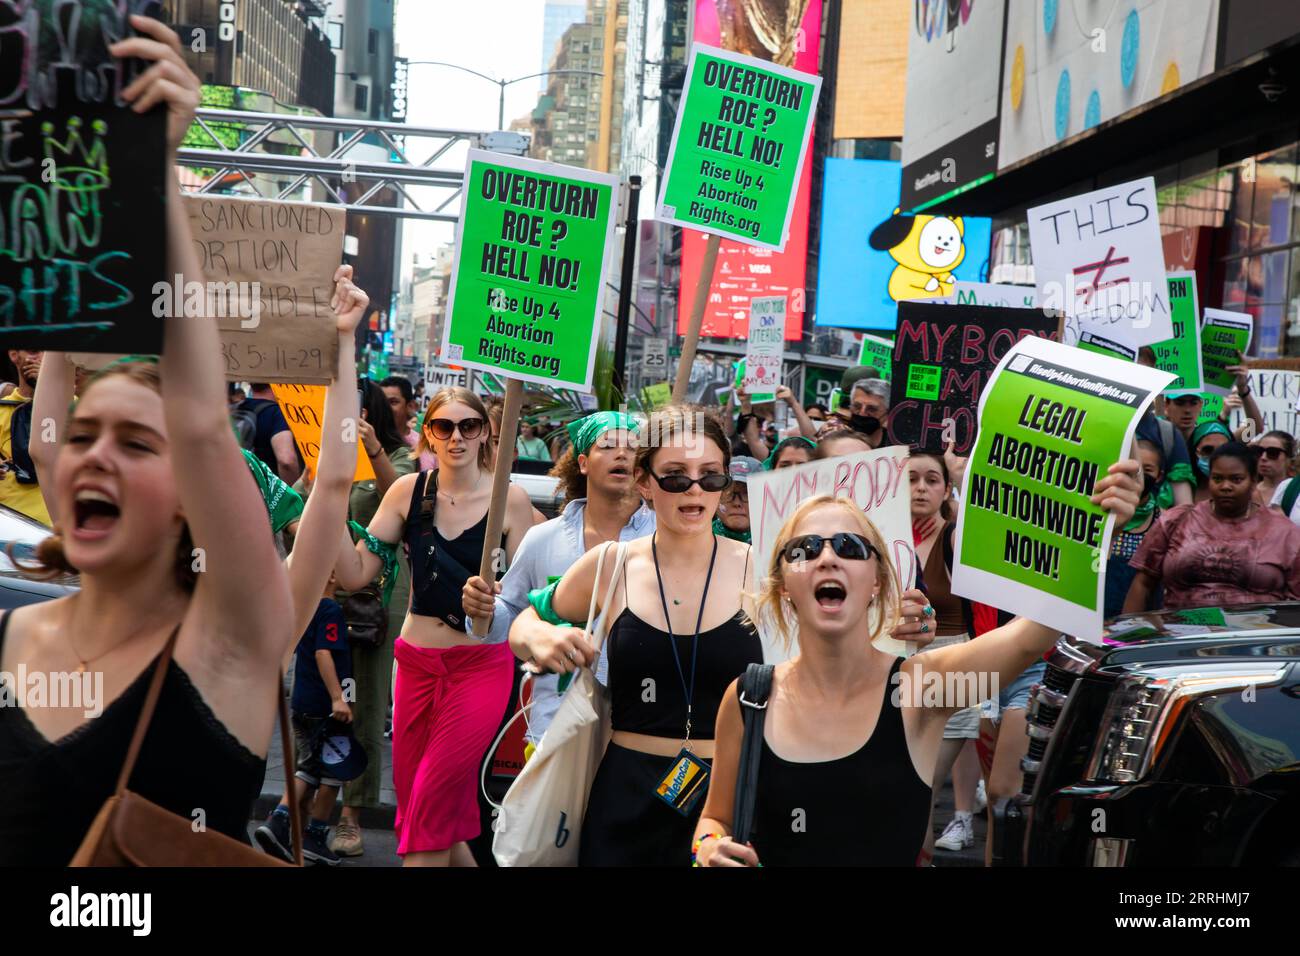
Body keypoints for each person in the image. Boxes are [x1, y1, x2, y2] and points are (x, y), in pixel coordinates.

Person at [0, 22, 297, 865]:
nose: (94, 454)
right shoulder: (9, 642)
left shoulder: (229, 641)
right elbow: (51, 416)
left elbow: (203, 423)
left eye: (137, 443)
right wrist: (72, 264)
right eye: (85, 436)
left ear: (190, 501)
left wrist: (151, 169)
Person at [691, 461, 1141, 867]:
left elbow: (1029, 637)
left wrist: (1097, 534)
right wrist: (708, 846)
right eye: (804, 549)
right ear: (784, 584)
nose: (827, 557)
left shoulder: (921, 689)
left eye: (849, 546)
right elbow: (714, 818)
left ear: (877, 580)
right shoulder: (750, 696)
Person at [508, 407, 763, 866]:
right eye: (675, 477)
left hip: (729, 804)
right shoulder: (612, 563)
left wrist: (906, 621)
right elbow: (526, 619)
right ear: (645, 483)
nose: (695, 489)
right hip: (623, 798)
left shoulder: (762, 570)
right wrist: (541, 639)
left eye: (710, 476)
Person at [335, 386, 534, 867]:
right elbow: (356, 573)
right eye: (444, 427)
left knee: (428, 801)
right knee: (421, 804)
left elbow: (525, 598)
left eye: (469, 426)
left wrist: (496, 600)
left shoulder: (511, 499)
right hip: (415, 665)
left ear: (486, 432)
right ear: (428, 433)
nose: (457, 437)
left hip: (480, 669)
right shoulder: (408, 491)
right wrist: (326, 504)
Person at [462, 412, 653, 753]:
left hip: (638, 732)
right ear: (583, 463)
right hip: (553, 728)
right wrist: (484, 610)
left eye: (633, 448)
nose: (623, 454)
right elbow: (509, 615)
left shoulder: (663, 540)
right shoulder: (543, 539)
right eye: (608, 446)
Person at [326, 379, 417, 858]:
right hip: (324, 592)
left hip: (374, 598)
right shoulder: (326, 449)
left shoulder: (398, 459)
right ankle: (307, 808)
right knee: (318, 700)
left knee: (364, 706)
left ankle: (351, 815)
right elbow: (300, 500)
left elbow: (397, 496)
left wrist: (371, 446)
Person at [907, 452, 981, 858]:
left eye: (931, 479)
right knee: (907, 786)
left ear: (945, 490)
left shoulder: (956, 537)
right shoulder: (882, 541)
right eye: (911, 478)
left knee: (926, 784)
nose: (920, 487)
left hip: (958, 663)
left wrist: (961, 475)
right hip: (902, 669)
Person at [1124, 442, 1300, 612]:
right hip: (1180, 635)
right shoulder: (1176, 520)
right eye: (1217, 478)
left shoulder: (1284, 533)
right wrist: (1127, 636)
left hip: (1255, 639)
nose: (1225, 486)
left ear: (1253, 481)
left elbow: (1296, 602)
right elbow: (1143, 582)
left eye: (1236, 479)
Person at [255, 575, 353, 866]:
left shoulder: (304, 608)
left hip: (301, 702)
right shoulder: (331, 611)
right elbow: (324, 653)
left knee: (308, 766)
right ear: (333, 575)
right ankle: (309, 834)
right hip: (324, 704)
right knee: (334, 770)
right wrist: (338, 697)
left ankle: (282, 821)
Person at [1104, 439, 1164, 620]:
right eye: (1131, 471)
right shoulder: (1102, 518)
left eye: (1146, 471)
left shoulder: (1165, 521)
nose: (1138, 477)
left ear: (1159, 476)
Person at [0, 349, 49, 525]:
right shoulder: (1, 411)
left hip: (57, 527)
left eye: (47, 352)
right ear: (14, 355)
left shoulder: (75, 406)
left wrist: (47, 385)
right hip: (11, 527)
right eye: (34, 351)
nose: (41, 358)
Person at [237, 382, 302, 485]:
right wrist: (293, 495)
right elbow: (286, 461)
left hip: (242, 487)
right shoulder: (276, 413)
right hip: (270, 495)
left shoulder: (239, 407)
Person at [714, 456, 762, 543]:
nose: (736, 503)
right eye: (729, 493)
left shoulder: (779, 543)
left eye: (747, 494)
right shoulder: (697, 539)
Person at [1188, 420, 1233, 501]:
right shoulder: (1181, 490)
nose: (1215, 456)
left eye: (1223, 449)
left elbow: (1253, 428)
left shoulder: (1243, 491)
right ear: (1195, 452)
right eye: (1208, 450)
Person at [847, 377, 890, 448]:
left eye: (872, 409)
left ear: (887, 413)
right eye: (857, 406)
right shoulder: (834, 439)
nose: (862, 413)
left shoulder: (895, 445)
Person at [1254, 430, 1293, 507]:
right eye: (1259, 451)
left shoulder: (1295, 492)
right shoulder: (1247, 491)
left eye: (1273, 453)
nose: (1263, 457)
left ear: (1288, 458)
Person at [381, 375, 421, 447]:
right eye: (382, 402)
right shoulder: (368, 440)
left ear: (410, 406)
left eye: (393, 402)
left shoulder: (421, 446)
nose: (385, 408)